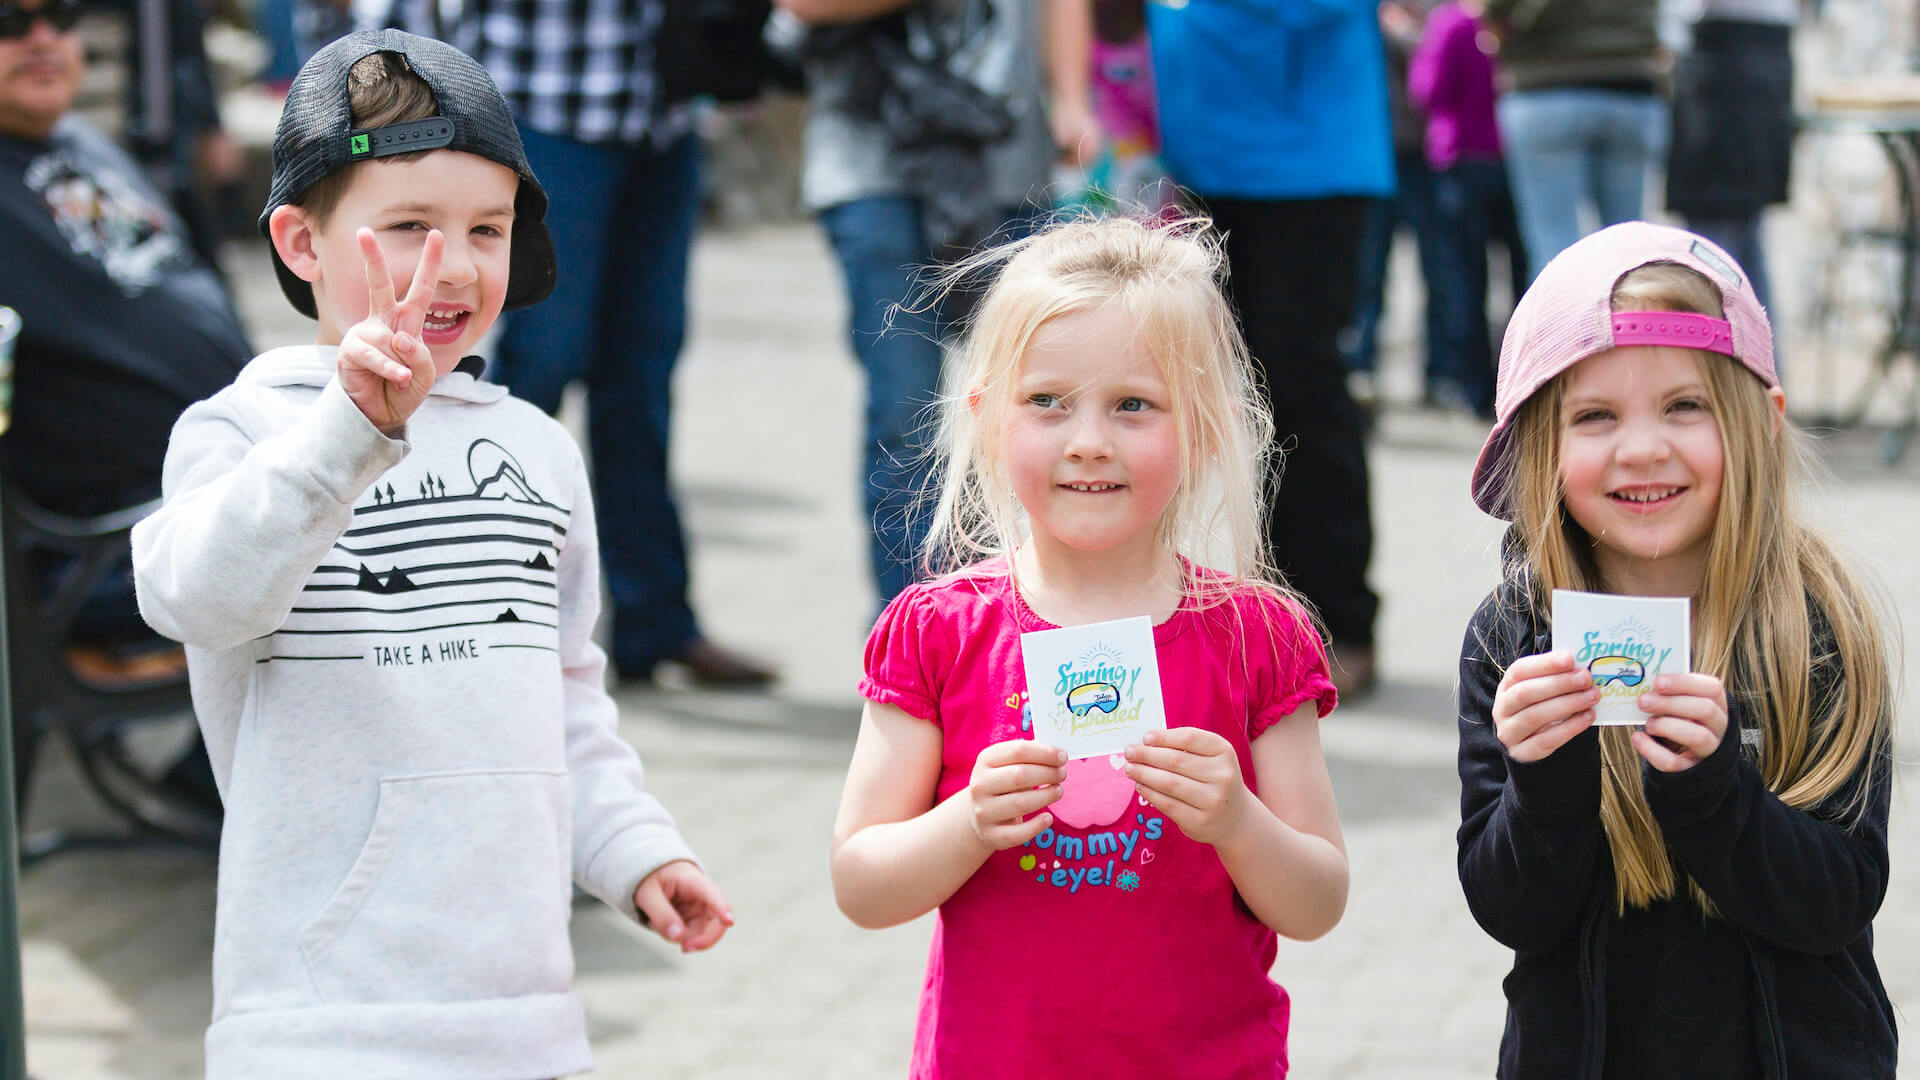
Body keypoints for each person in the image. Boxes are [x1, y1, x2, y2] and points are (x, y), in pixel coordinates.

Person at [130, 32, 732, 1075]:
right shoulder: (241, 433)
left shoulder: (538, 451)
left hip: (526, 1017)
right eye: (407, 227)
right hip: (317, 1016)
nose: (452, 266)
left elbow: (568, 698)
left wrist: (633, 849)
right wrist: (346, 433)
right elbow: (193, 595)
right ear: (303, 243)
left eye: (486, 230)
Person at [831, 216, 1348, 1076]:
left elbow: (1318, 899)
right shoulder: (939, 630)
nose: (1089, 441)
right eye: (1047, 402)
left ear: (1209, 429)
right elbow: (861, 881)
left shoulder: (1259, 637)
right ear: (988, 418)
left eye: (1134, 405)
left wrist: (1235, 821)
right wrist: (966, 822)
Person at [1455, 222, 1897, 1077]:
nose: (1644, 447)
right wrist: (1543, 786)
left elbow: (1839, 898)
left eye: (1685, 406)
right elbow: (1513, 912)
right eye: (1594, 416)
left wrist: (1715, 794)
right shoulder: (1512, 640)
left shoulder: (1819, 625)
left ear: (1761, 422)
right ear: (1539, 452)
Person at [376, 0, 776, 686]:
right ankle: (462, 607)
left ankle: (656, 624)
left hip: (660, 121)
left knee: (642, 379)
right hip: (540, 119)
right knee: (538, 368)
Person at [774, 0, 1066, 608]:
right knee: (908, 421)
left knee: (1038, 413)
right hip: (872, 168)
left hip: (1010, 164)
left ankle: (1022, 630)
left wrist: (1074, 100)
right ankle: (913, 648)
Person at [0, 0, 250, 695]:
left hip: (219, 486)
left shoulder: (78, 137)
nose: (43, 37)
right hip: (115, 550)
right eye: (9, 23)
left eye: (59, 15)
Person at [1146, 0, 1392, 696]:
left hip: (1305, 162)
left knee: (1298, 391)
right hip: (1192, 153)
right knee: (1193, 397)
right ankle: (1247, 618)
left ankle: (1333, 620)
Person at [1407, 0, 1527, 418]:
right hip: (1513, 161)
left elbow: (1427, 90)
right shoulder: (1512, 18)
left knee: (1464, 281)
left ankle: (1477, 389)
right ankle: (1523, 379)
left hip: (1462, 164)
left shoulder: (1452, 22)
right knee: (1521, 281)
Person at [1483, 0, 1664, 275]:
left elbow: (1495, 9)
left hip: (1544, 86)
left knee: (1554, 254)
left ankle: (1559, 319)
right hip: (1631, 82)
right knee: (1630, 254)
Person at [1665, 0, 1796, 317]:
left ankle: (1724, 359)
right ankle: (1761, 360)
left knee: (1712, 250)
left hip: (1724, 63)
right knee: (1745, 238)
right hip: (1760, 57)